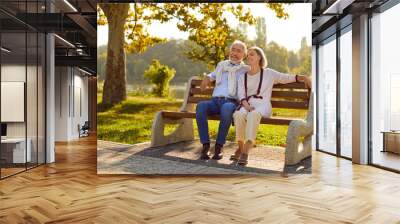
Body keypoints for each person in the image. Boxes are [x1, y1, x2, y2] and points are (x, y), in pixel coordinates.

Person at [231, 46, 311, 166]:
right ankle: (241, 147)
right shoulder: (243, 76)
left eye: (252, 54)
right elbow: (241, 94)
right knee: (238, 114)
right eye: (248, 55)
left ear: (259, 57)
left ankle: (246, 151)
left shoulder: (269, 73)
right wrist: (247, 106)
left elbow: (286, 78)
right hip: (248, 104)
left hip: (263, 105)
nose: (249, 56)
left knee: (253, 114)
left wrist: (303, 77)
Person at [196, 40, 249, 160]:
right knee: (201, 106)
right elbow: (213, 75)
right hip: (215, 101)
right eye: (233, 50)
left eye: (239, 51)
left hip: (231, 102)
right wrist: (207, 78)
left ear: (244, 55)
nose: (234, 53)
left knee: (226, 108)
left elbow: (261, 72)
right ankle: (205, 145)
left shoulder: (245, 69)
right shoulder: (222, 65)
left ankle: (219, 147)